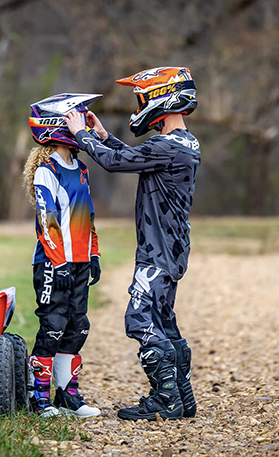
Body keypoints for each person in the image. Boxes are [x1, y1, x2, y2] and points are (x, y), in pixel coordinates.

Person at [64, 67, 200, 422]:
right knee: (163, 320)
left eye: (142, 99)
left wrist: (80, 134)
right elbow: (134, 157)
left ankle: (166, 399)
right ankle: (183, 399)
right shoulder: (182, 144)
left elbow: (114, 163)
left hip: (157, 251)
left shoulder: (167, 146)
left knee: (139, 319)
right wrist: (103, 135)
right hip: (169, 248)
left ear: (161, 99)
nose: (139, 106)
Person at [23, 93, 103, 418]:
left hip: (80, 262)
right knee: (53, 326)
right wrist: (59, 263)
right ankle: (38, 397)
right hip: (53, 263)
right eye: (76, 118)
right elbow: (47, 221)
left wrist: (93, 254)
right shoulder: (47, 170)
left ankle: (68, 396)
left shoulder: (81, 169)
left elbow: (88, 215)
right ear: (58, 126)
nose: (81, 123)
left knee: (77, 327)